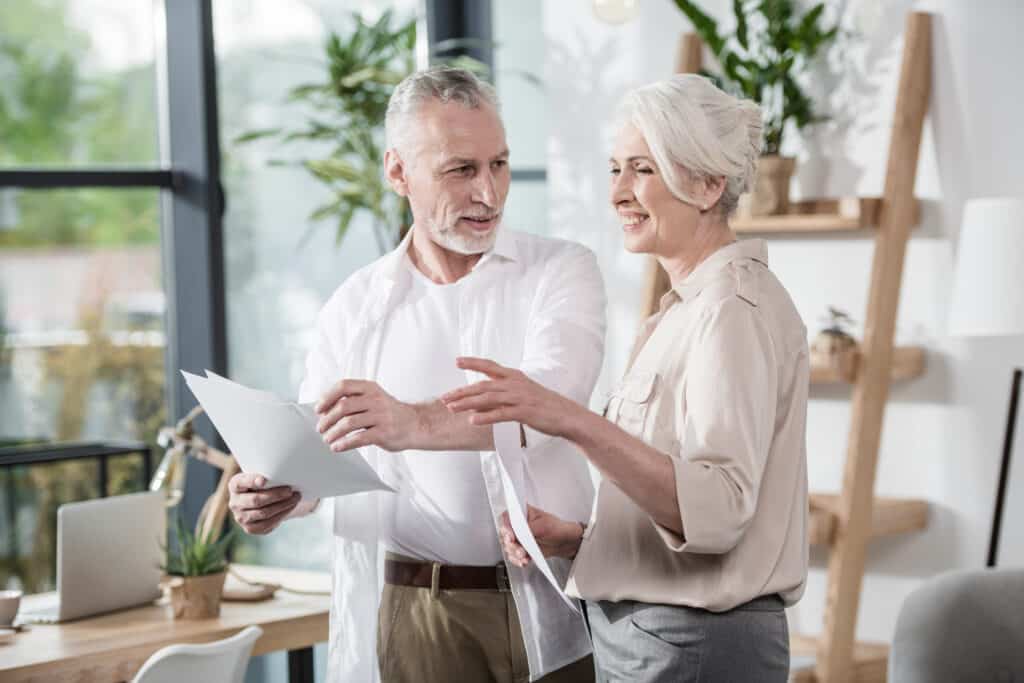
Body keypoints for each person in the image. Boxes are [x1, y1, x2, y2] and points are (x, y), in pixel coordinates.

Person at [227, 66, 605, 683]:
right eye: (461, 170)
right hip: (418, 614)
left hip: (555, 598)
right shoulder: (353, 306)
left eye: (499, 164)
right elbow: (317, 453)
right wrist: (278, 495)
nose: (489, 193)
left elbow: (553, 407)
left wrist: (411, 422)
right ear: (398, 172)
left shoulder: (561, 271)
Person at [443, 74, 809, 682]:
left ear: (708, 184)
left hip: (687, 643)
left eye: (642, 169)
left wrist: (569, 419)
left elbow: (718, 509)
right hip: (662, 638)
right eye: (615, 169)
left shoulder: (729, 311)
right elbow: (687, 500)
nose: (617, 193)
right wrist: (584, 539)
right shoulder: (687, 310)